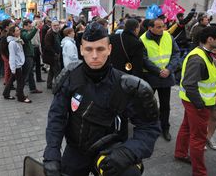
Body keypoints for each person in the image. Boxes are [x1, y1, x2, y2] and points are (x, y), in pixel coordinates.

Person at [43, 22, 160, 176]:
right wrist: (51, 151)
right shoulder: (70, 78)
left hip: (110, 153)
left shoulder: (126, 85)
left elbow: (149, 126)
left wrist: (129, 151)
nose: (95, 56)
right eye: (89, 49)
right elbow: (56, 117)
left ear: (109, 49)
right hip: (76, 151)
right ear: (81, 50)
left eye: (100, 49)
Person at [175, 27, 216, 176]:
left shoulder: (204, 53)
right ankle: (200, 172)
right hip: (198, 104)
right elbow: (189, 85)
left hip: (194, 102)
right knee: (198, 139)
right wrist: (200, 105)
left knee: (186, 127)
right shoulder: (198, 58)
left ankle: (180, 153)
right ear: (210, 39)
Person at [140, 19, 180, 141]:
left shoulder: (168, 35)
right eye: (158, 27)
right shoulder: (142, 40)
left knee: (165, 105)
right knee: (147, 104)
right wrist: (158, 71)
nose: (162, 29)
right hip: (151, 77)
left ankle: (165, 128)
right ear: (150, 28)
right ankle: (148, 127)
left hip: (166, 77)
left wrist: (169, 69)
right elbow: (144, 59)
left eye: (163, 26)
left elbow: (176, 53)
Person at [2, 26, 31, 103]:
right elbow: (12, 56)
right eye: (17, 30)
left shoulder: (17, 40)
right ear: (13, 33)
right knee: (21, 82)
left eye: (19, 30)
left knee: (11, 79)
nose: (19, 31)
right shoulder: (12, 43)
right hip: (16, 65)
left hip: (19, 63)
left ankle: (6, 93)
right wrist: (13, 68)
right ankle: (21, 97)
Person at [21, 19, 42, 94]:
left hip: (29, 55)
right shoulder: (23, 32)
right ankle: (19, 91)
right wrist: (36, 28)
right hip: (27, 56)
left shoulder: (26, 32)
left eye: (31, 26)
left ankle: (33, 88)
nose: (30, 28)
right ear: (25, 26)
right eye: (29, 26)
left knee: (30, 74)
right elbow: (28, 38)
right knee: (25, 75)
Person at [43, 20, 62, 89]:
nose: (56, 26)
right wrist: (55, 53)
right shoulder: (49, 34)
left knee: (52, 71)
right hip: (52, 56)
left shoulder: (57, 33)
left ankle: (49, 84)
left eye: (57, 25)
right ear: (51, 26)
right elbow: (48, 46)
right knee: (57, 71)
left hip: (56, 54)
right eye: (55, 25)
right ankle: (57, 86)